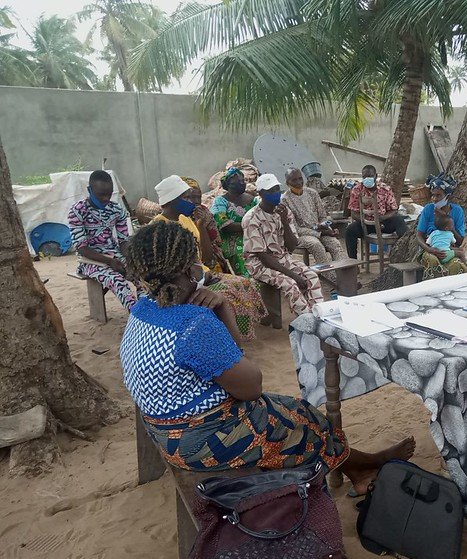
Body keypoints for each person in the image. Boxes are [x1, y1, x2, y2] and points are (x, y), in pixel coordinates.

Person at [120, 220, 415, 492]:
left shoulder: (143, 310)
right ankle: (361, 468)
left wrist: (222, 306)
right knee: (308, 425)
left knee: (297, 410)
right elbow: (251, 388)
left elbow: (230, 364)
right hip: (201, 442)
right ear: (187, 269)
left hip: (166, 431)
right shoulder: (193, 324)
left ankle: (359, 470)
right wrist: (221, 313)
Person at [152, 175, 266, 340]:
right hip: (183, 281)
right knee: (227, 296)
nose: (191, 201)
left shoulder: (186, 220)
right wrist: (199, 280)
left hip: (202, 274)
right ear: (171, 201)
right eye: (185, 198)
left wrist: (200, 225)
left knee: (244, 284)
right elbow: (168, 269)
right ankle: (220, 339)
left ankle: (236, 338)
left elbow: (206, 256)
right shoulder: (159, 228)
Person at [243, 173, 324, 318]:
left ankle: (319, 315)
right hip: (259, 264)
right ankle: (307, 320)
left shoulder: (284, 212)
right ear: (260, 194)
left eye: (277, 189)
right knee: (290, 284)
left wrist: (285, 222)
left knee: (311, 276)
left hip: (283, 258)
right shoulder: (251, 218)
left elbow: (292, 247)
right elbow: (263, 257)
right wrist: (293, 275)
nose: (275, 194)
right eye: (270, 191)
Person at [67, 169, 141, 310]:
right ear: (90, 190)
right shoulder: (77, 211)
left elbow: (124, 241)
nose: (106, 199)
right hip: (89, 260)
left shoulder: (116, 210)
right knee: (119, 282)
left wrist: (130, 261)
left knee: (142, 277)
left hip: (114, 255)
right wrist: (110, 261)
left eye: (109, 194)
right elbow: (82, 248)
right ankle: (137, 317)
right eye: (101, 195)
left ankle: (147, 310)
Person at [281, 167, 345, 265]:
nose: (298, 182)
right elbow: (294, 228)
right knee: (316, 245)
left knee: (335, 243)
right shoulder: (285, 200)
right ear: (287, 183)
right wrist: (319, 232)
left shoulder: (312, 193)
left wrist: (326, 227)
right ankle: (328, 275)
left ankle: (342, 272)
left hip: (320, 230)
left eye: (300, 178)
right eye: (294, 180)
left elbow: (323, 216)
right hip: (301, 235)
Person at [344, 165, 408, 259]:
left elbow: (393, 209)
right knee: (349, 230)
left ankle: (403, 256)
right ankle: (353, 263)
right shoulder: (357, 190)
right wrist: (366, 221)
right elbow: (353, 213)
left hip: (384, 223)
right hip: (366, 225)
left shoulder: (385, 189)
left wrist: (382, 218)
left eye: (369, 176)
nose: (366, 179)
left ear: (376, 176)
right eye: (364, 177)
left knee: (400, 221)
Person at [415, 172, 467, 279]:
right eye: (433, 195)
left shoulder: (457, 211)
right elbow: (419, 235)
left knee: (456, 265)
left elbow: (459, 241)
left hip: (448, 251)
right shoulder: (428, 209)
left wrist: (449, 223)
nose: (434, 199)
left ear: (447, 196)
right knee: (432, 261)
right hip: (430, 250)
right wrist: (430, 249)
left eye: (438, 195)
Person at [211, 168, 259, 276]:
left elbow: (261, 219)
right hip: (232, 241)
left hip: (254, 236)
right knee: (243, 255)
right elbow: (225, 225)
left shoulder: (253, 199)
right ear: (227, 185)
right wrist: (252, 226)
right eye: (236, 183)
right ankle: (248, 285)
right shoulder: (220, 201)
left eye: (243, 181)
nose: (241, 184)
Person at [182, 176, 228, 273]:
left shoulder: (204, 213)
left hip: (207, 257)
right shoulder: (177, 216)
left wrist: (201, 226)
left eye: (198, 197)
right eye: (189, 197)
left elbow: (213, 248)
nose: (195, 201)